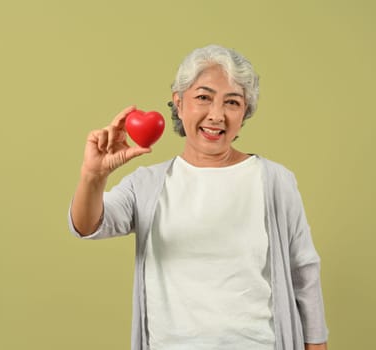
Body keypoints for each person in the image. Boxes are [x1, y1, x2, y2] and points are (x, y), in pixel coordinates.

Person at [68, 44, 329, 350]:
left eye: (232, 102)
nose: (216, 115)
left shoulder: (275, 181)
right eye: (203, 97)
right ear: (179, 103)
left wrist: (316, 345)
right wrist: (93, 176)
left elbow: (304, 272)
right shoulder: (148, 184)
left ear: (245, 111)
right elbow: (88, 226)